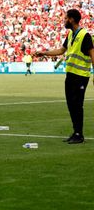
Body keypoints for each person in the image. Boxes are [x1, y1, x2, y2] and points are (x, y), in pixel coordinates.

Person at [34, 9, 94, 144]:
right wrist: (44, 53)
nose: (64, 20)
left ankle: (79, 134)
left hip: (81, 76)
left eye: (65, 18)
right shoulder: (71, 34)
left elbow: (92, 54)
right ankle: (76, 132)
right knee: (71, 104)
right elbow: (61, 50)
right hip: (71, 75)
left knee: (77, 105)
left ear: (72, 19)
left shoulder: (85, 35)